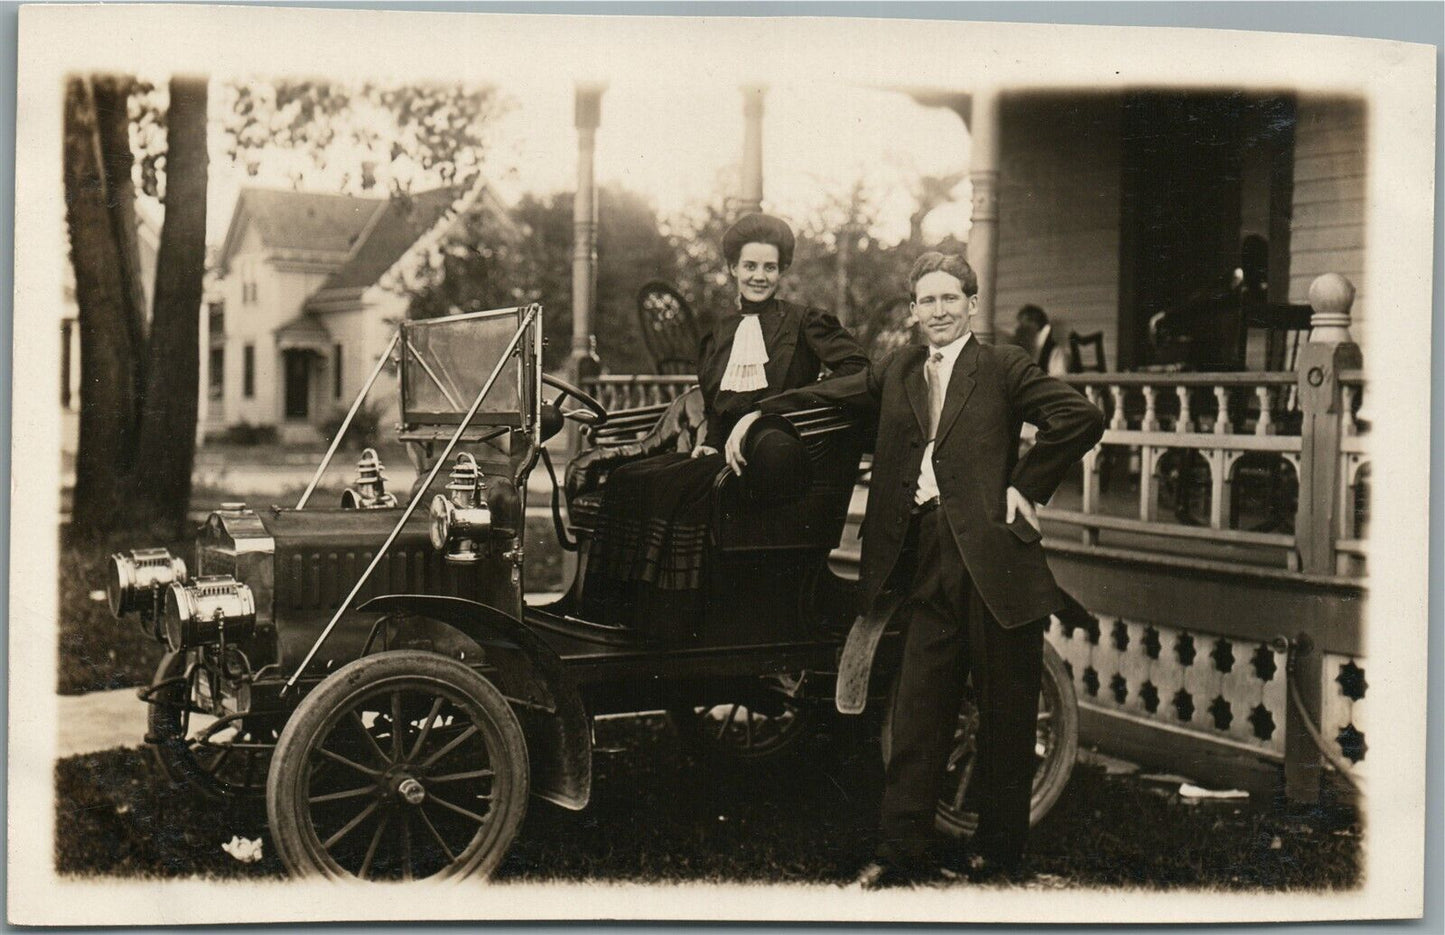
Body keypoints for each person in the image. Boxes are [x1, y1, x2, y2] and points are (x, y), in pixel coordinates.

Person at [738, 252, 1104, 885]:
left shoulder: (1003, 365)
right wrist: (763, 412)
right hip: (922, 557)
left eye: (949, 299)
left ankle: (998, 855)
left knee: (1005, 715)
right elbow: (835, 392)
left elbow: (1080, 417)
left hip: (995, 564)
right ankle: (899, 853)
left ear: (971, 304)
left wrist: (1027, 486)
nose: (938, 311)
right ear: (913, 311)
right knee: (917, 712)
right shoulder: (899, 369)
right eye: (927, 301)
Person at [579, 212, 867, 638]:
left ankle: (669, 621)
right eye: (750, 266)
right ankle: (616, 612)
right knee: (630, 478)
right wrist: (711, 441)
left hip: (772, 454)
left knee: (670, 488)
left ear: (782, 270)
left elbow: (859, 370)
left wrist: (770, 410)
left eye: (769, 267)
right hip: (725, 454)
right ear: (733, 268)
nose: (759, 276)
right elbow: (719, 403)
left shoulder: (806, 321)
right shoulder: (720, 331)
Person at [1015, 304, 1071, 376]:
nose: (1020, 330)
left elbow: (1058, 373)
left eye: (1022, 325)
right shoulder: (1039, 340)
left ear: (1033, 322)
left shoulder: (1054, 339)